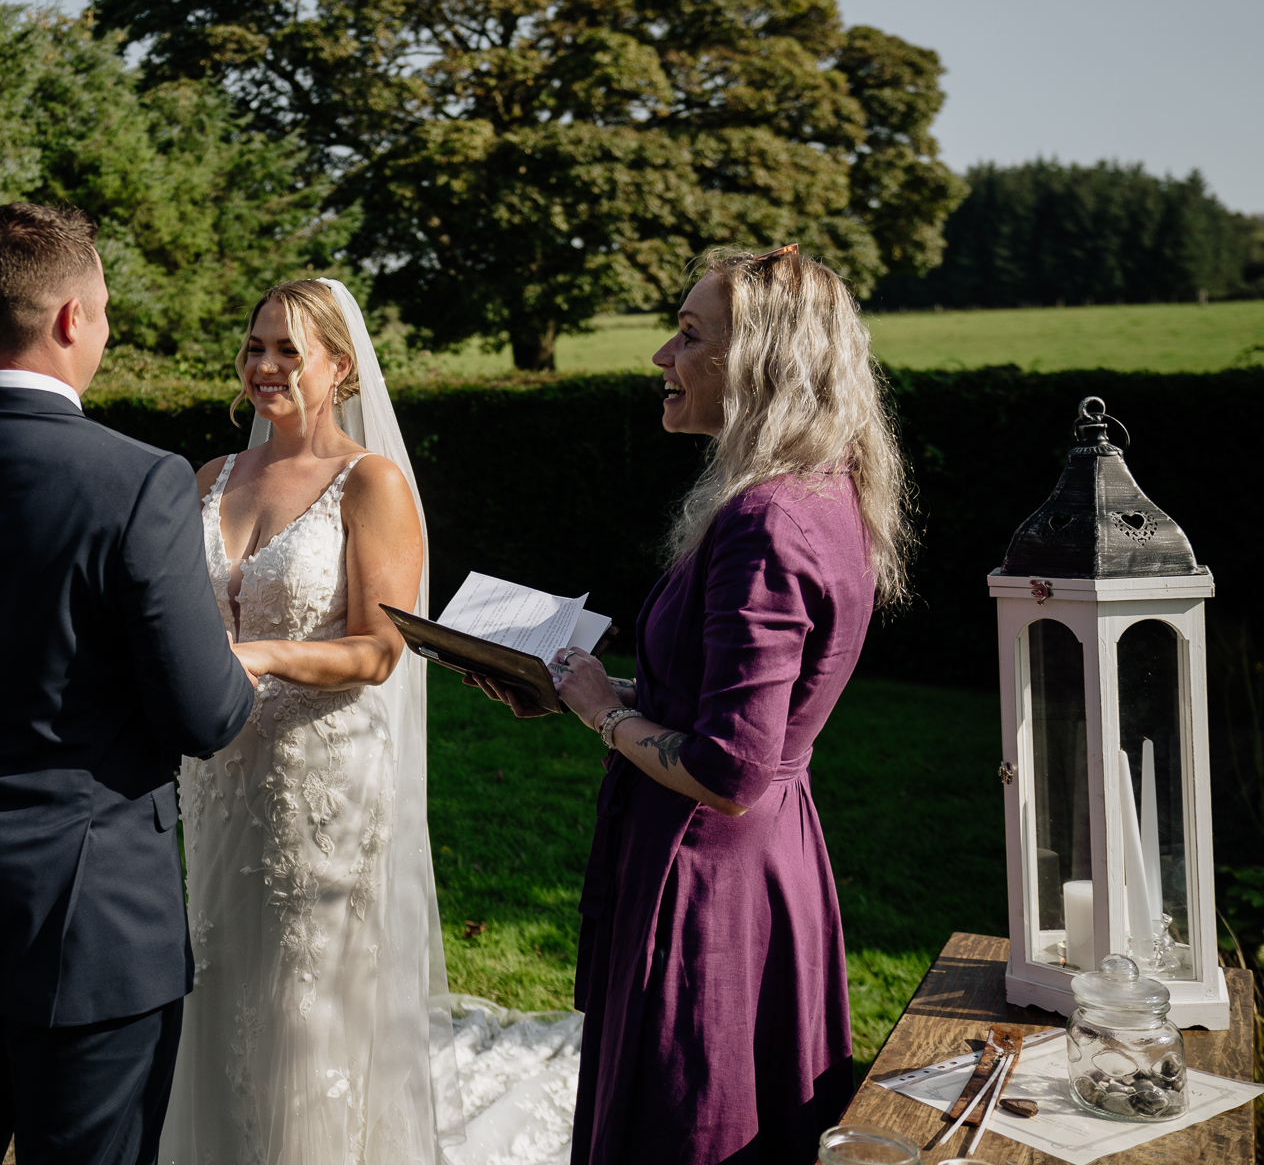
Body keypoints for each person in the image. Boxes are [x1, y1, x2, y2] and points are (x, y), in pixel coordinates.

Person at [471, 245, 911, 1164]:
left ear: (760, 364)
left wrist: (600, 712)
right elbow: (733, 713)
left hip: (707, 876)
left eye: (687, 335)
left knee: (689, 1118)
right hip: (767, 858)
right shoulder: (827, 491)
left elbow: (728, 768)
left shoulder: (765, 522)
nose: (660, 358)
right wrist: (580, 687)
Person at [0, 201, 254, 1164]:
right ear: (71, 317)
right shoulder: (140, 482)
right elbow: (205, 714)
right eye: (104, 310)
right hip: (89, 915)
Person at [161, 279, 457, 1163]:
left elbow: (380, 650)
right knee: (216, 977)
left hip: (320, 782)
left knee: (304, 997)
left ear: (341, 365)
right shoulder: (212, 479)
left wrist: (261, 655)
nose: (264, 366)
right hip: (218, 774)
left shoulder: (369, 484)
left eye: (289, 350)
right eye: (255, 347)